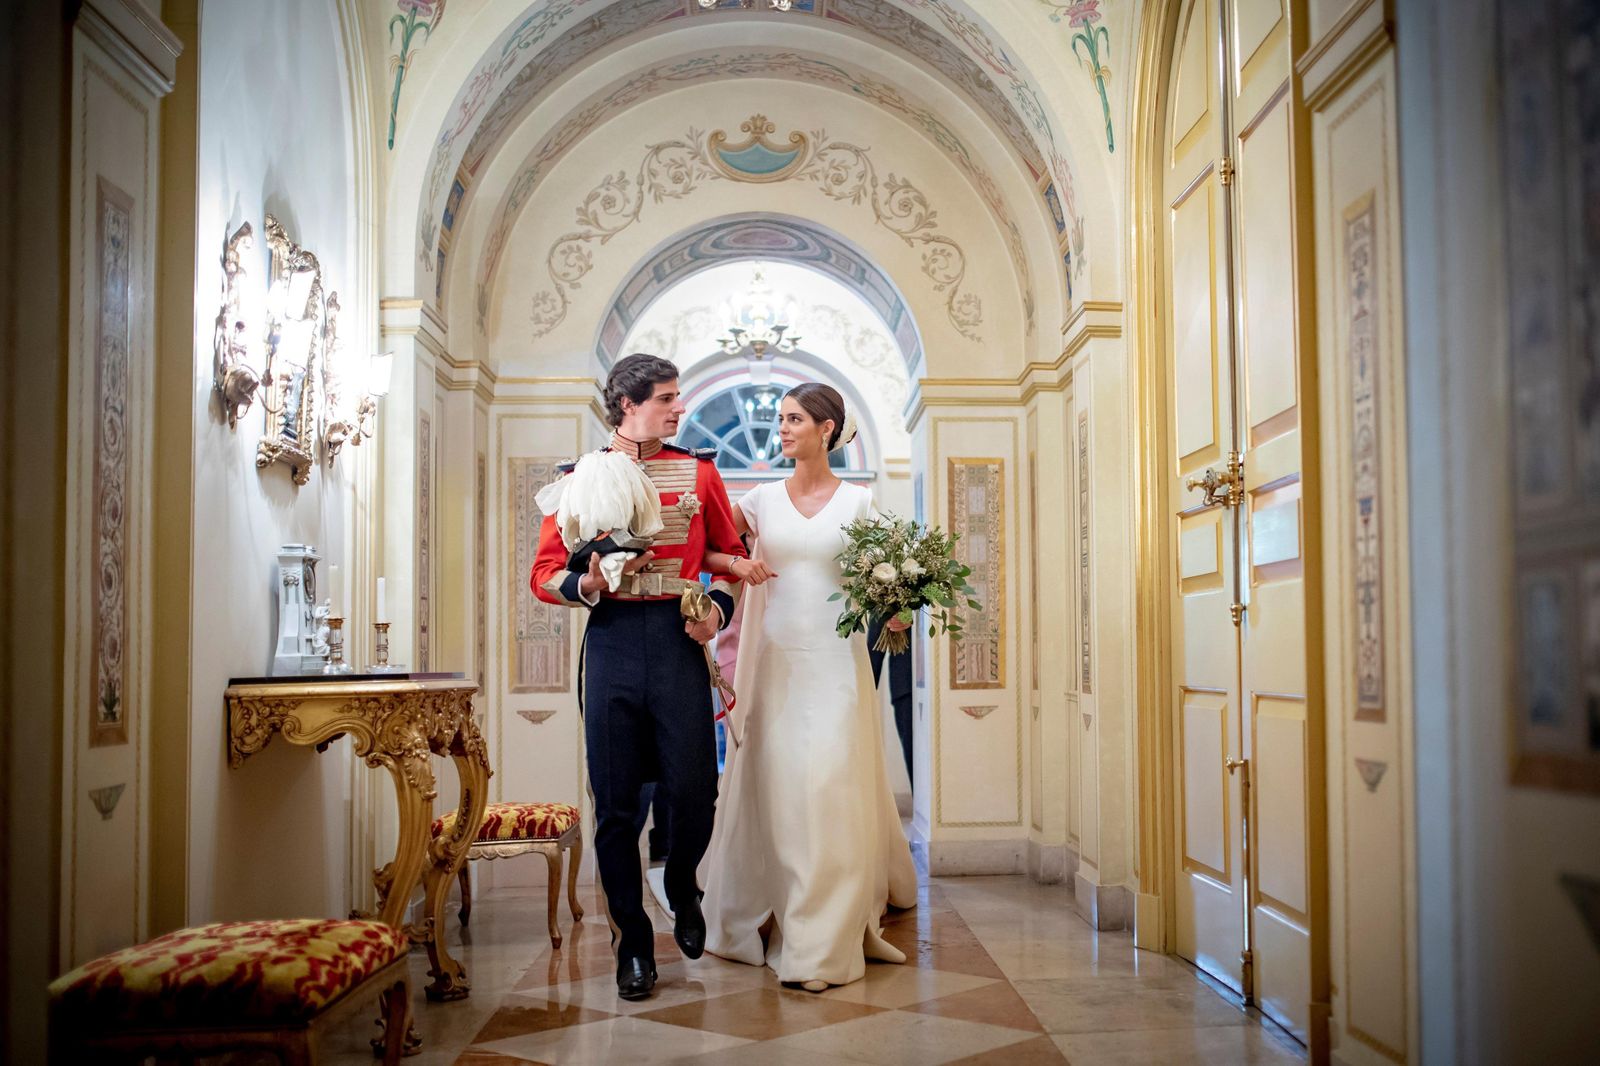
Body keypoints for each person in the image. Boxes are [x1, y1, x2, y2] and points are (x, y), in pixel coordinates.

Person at [530, 353, 745, 1002]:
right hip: (614, 643)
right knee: (616, 807)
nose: (678, 408)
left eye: (677, 398)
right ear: (628, 405)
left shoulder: (701, 472)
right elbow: (543, 574)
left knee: (693, 790)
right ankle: (632, 945)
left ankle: (682, 884)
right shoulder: (579, 479)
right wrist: (587, 583)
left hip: (679, 641)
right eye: (666, 398)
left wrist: (717, 613)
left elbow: (731, 560)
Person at [699, 382, 918, 992]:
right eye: (780, 419)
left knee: (826, 784)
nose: (783, 429)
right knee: (781, 786)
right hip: (774, 665)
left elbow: (890, 577)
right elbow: (714, 552)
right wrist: (738, 565)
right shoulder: (758, 500)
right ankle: (772, 907)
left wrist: (899, 606)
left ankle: (821, 938)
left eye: (794, 419)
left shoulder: (861, 503)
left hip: (836, 664)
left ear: (826, 429)